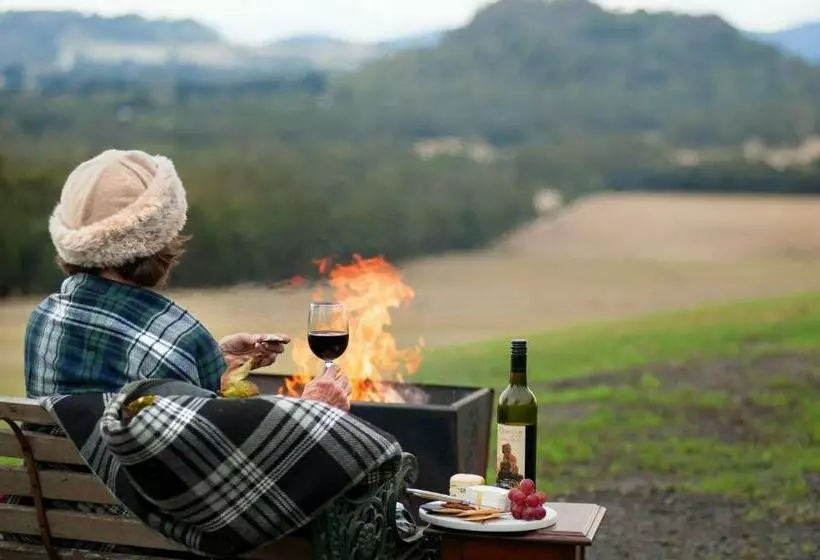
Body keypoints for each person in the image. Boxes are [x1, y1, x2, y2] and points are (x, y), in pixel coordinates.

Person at [4, 148, 352, 555]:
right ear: (160, 237)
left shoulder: (43, 321)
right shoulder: (184, 341)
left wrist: (214, 358)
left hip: (60, 540)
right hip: (151, 546)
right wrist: (313, 412)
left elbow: (118, 384)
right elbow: (225, 481)